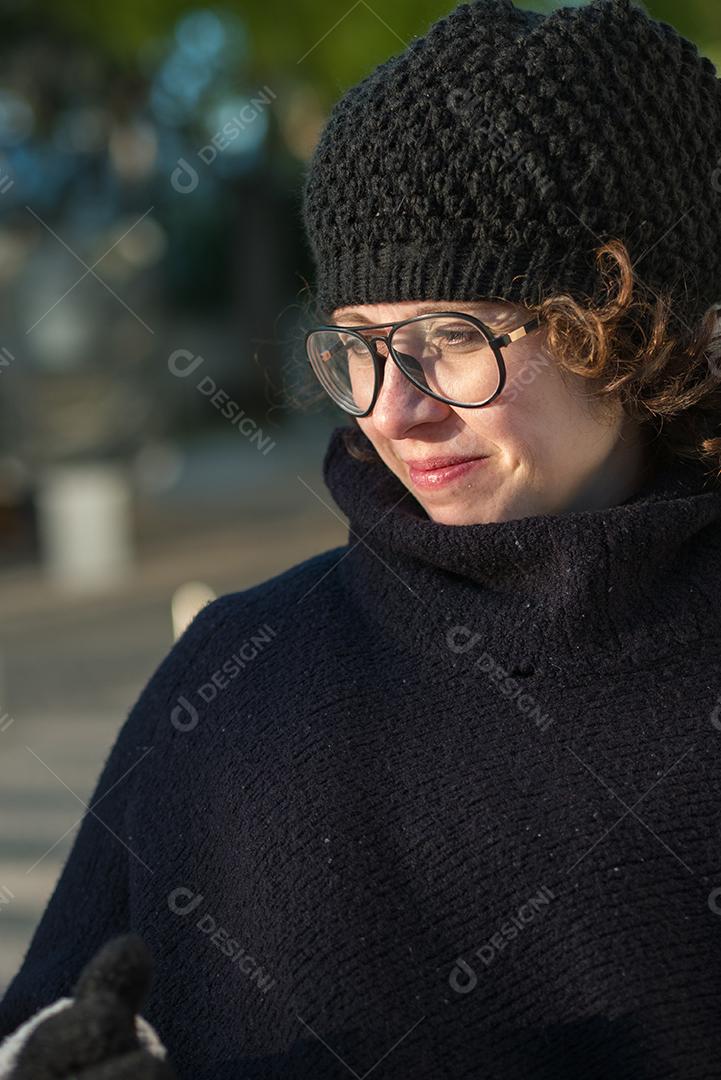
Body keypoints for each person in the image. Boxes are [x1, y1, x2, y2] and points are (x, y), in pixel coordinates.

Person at [3, 0, 721, 1076]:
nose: (393, 411)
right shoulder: (239, 688)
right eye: (358, 348)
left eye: (452, 341)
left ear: (626, 327)